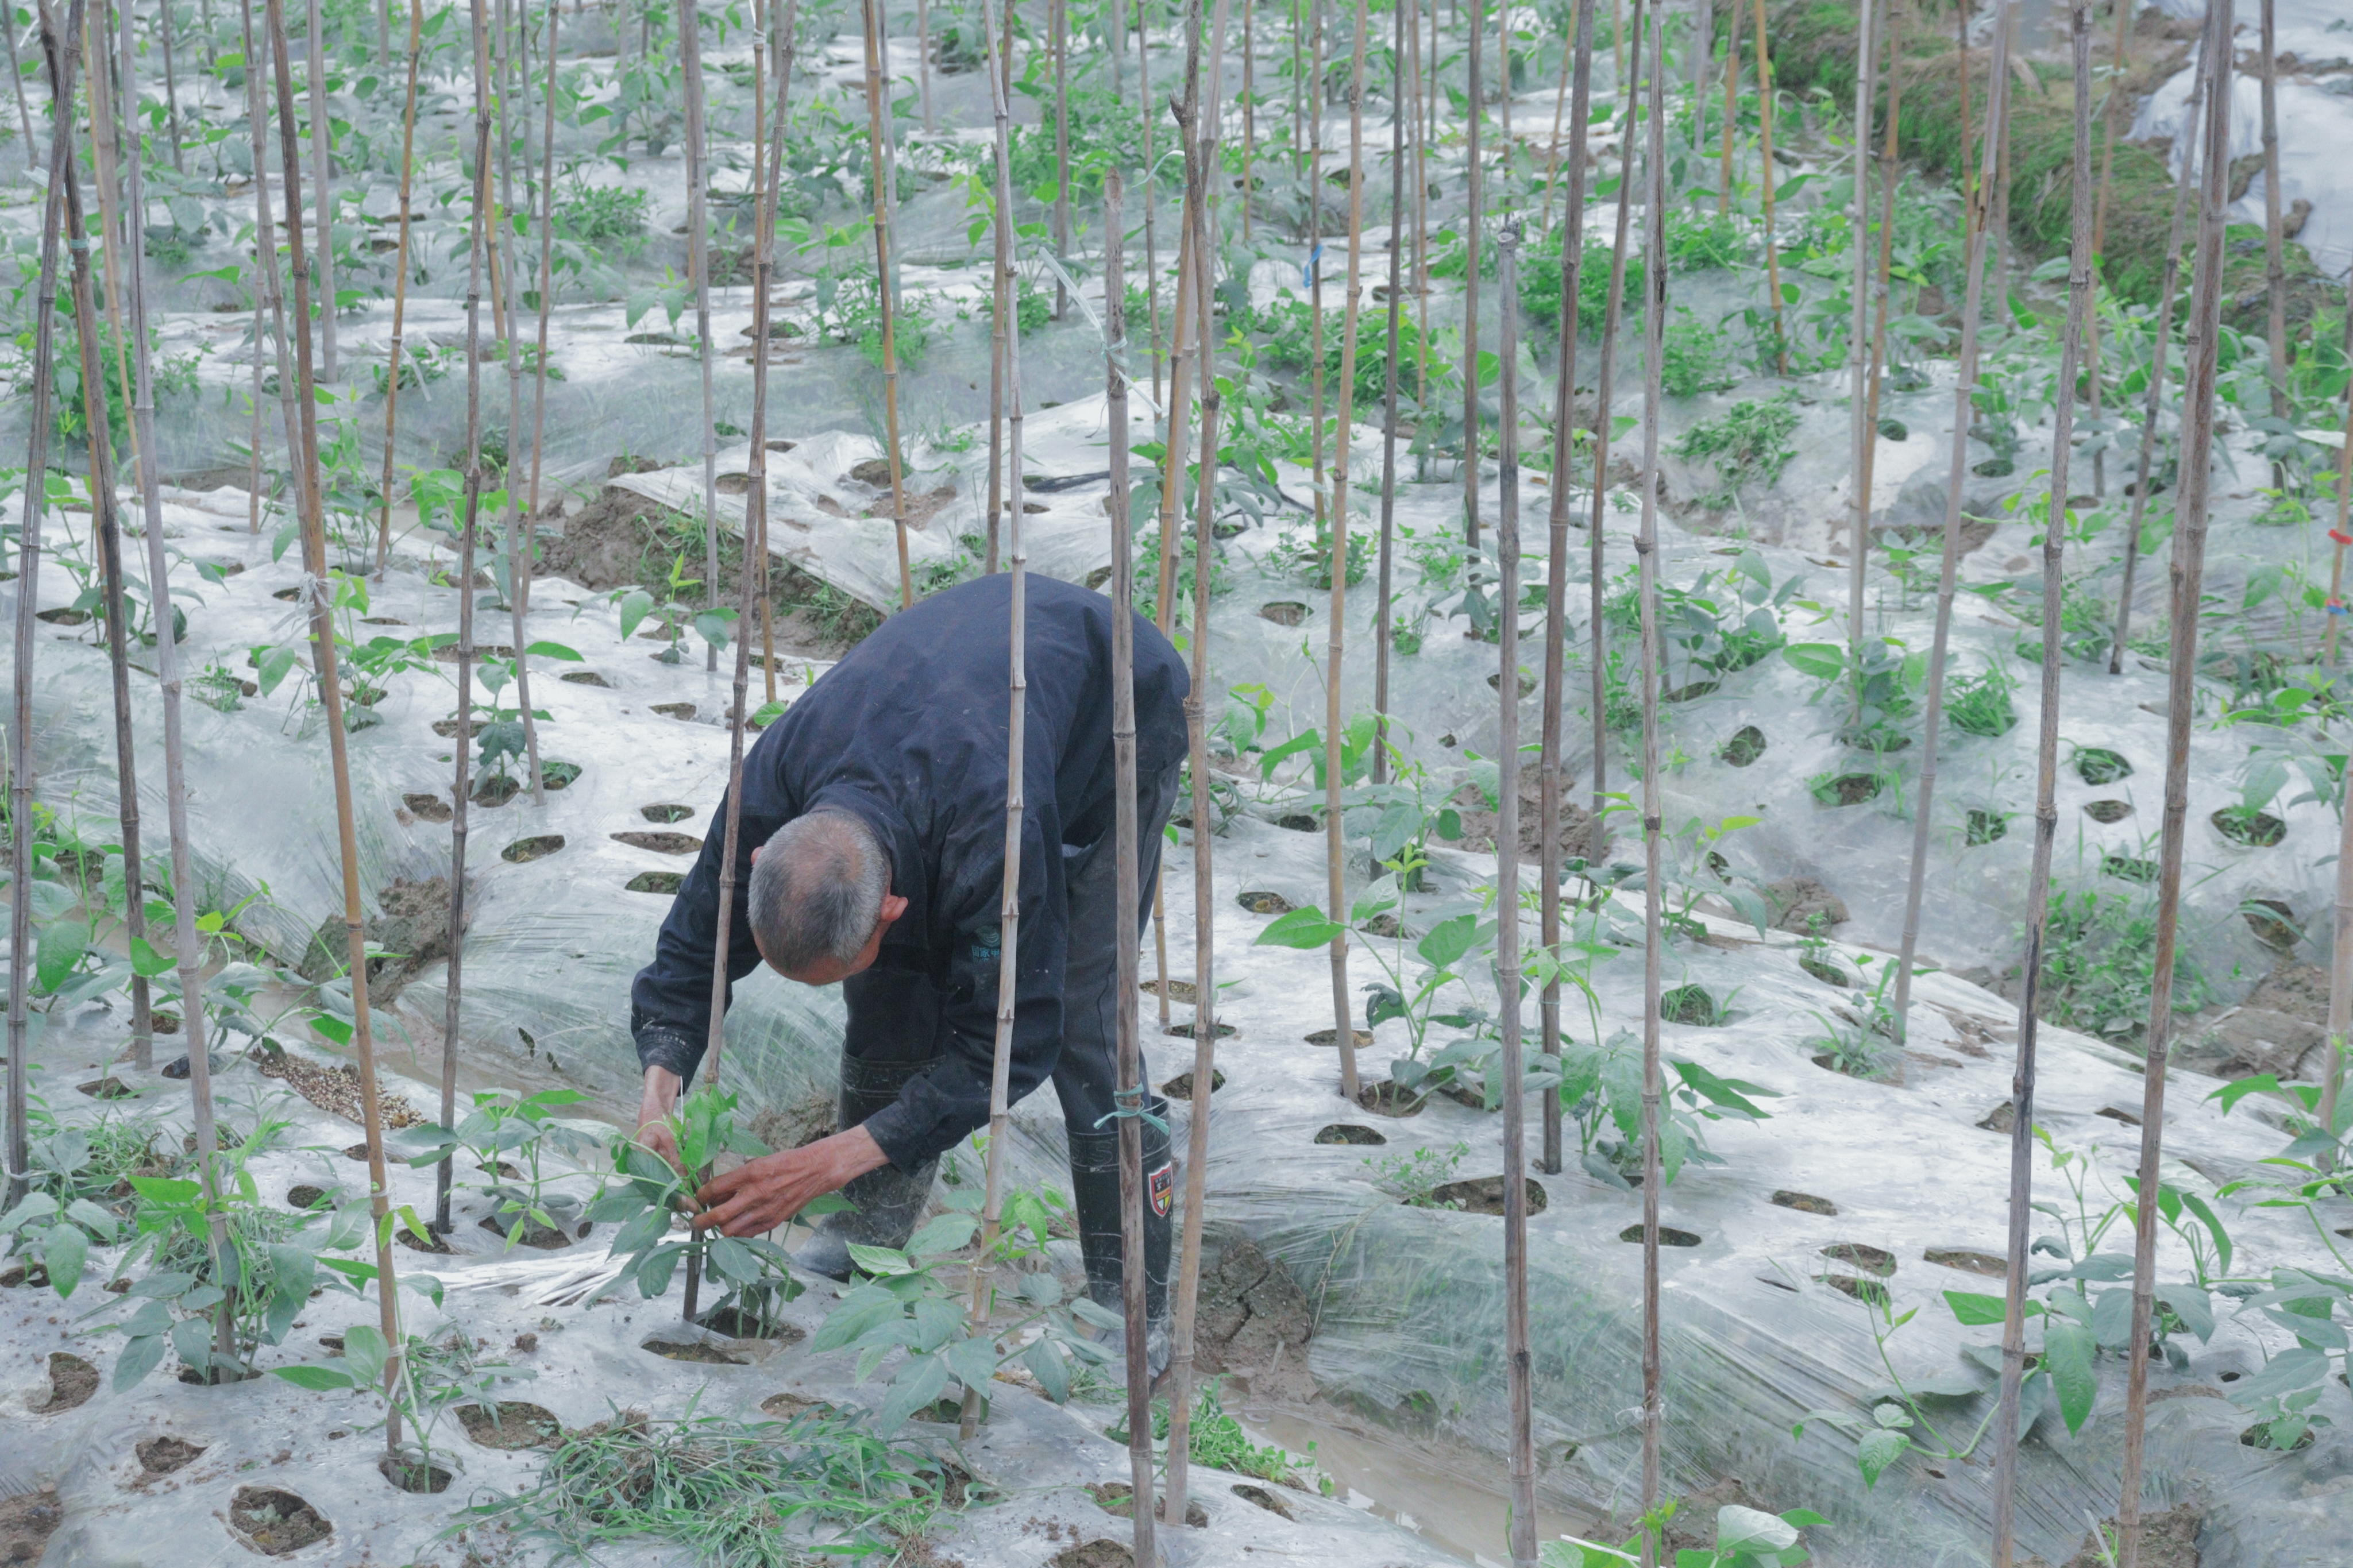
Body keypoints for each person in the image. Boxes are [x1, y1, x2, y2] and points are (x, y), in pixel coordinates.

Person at [630, 572, 1189, 1369]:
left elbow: (1018, 1037)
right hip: (962, 692)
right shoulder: (772, 785)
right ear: (762, 853)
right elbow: (692, 947)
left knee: (1085, 1016)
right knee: (889, 995)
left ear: (890, 908)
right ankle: (867, 1235)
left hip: (1112, 708)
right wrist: (660, 1088)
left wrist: (826, 1159)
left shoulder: (992, 832)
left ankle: (1131, 1308)